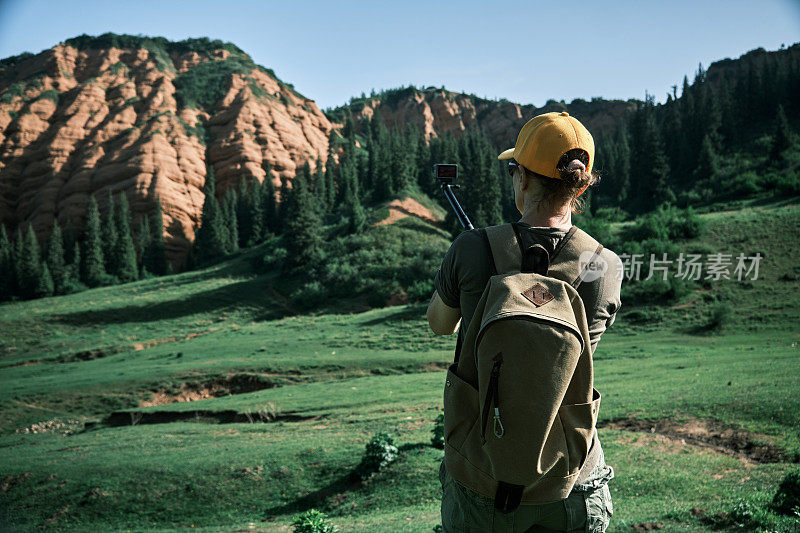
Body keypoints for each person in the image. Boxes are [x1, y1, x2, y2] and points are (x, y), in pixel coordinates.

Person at [427, 112, 622, 532]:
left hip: (480, 478)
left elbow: (440, 324)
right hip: (570, 480)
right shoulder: (602, 264)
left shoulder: (471, 249)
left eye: (514, 169)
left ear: (524, 179)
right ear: (581, 184)